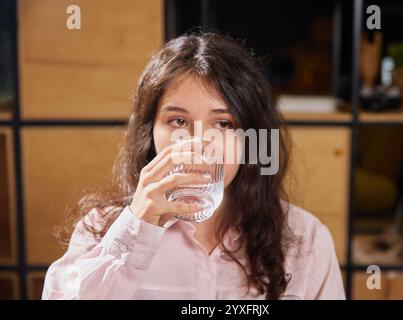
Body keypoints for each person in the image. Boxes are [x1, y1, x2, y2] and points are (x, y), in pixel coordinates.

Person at [42, 32, 345, 300]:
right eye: (178, 121)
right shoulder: (100, 231)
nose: (199, 144)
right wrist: (137, 226)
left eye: (224, 123)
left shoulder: (306, 240)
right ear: (150, 133)